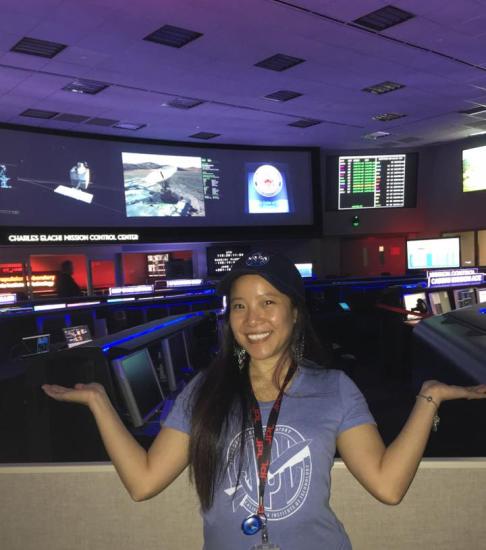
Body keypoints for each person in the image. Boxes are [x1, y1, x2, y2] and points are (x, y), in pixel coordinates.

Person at [42, 251, 486, 550]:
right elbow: (143, 482)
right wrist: (101, 402)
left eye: (268, 302)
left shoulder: (334, 387)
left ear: (294, 311)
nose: (253, 319)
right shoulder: (203, 391)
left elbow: (387, 486)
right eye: (239, 305)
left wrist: (429, 398)